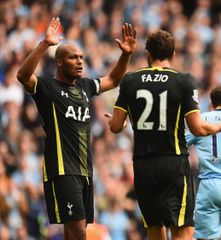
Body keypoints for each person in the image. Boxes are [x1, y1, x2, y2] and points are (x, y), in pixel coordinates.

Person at [108, 29, 221, 240]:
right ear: (173, 55)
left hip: (143, 165)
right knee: (182, 231)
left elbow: (115, 126)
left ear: (148, 54)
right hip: (173, 164)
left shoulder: (130, 80)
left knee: (154, 229)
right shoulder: (183, 80)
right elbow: (198, 128)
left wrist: (126, 121)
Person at [16, 17, 137, 240]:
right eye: (73, 57)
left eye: (81, 57)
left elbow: (112, 79)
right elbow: (23, 76)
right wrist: (45, 44)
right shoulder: (47, 88)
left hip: (84, 170)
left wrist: (126, 54)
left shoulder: (85, 86)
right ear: (60, 63)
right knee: (79, 230)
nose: (80, 61)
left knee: (72, 232)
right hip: (62, 170)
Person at [185, 85, 221, 240]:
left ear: (211, 102)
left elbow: (180, 144)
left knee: (205, 237)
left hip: (208, 184)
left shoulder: (200, 120)